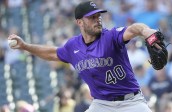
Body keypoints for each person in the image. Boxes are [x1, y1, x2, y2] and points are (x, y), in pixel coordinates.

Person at [8, 1, 163, 112]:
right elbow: (52, 53)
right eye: (92, 17)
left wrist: (146, 32)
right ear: (79, 22)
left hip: (131, 102)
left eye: (98, 16)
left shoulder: (111, 36)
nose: (98, 20)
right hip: (102, 104)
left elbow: (134, 29)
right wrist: (25, 46)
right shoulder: (73, 46)